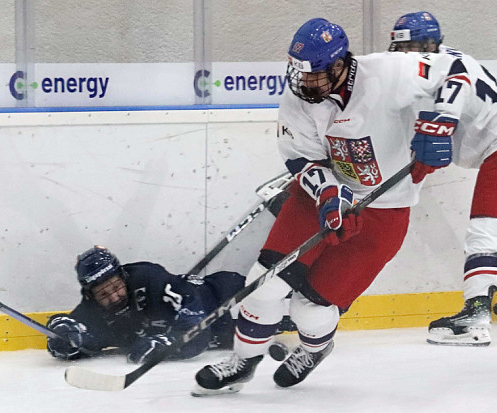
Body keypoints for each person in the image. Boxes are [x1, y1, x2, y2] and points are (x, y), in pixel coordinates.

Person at [192, 17, 477, 396]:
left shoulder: (389, 72)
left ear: (341, 63)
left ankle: (315, 348)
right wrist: (327, 193)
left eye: (315, 76)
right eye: (300, 75)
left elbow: (456, 71)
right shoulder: (298, 95)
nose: (305, 85)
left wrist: (440, 123)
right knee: (262, 286)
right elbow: (300, 159)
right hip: (317, 200)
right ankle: (242, 363)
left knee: (309, 310)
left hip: (384, 212)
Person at [389, 11, 497, 346]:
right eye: (401, 47)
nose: (405, 54)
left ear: (430, 45)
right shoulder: (422, 73)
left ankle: (475, 315)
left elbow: (437, 139)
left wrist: (416, 168)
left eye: (412, 47)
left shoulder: (450, 72)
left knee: (485, 227)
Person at [46, 245, 246, 363]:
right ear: (91, 295)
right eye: (104, 294)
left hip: (228, 297)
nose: (114, 297)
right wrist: (63, 337)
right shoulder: (96, 311)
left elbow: (198, 334)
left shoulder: (150, 279)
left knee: (272, 314)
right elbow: (80, 336)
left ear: (123, 276)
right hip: (230, 335)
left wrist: (164, 346)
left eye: (116, 287)